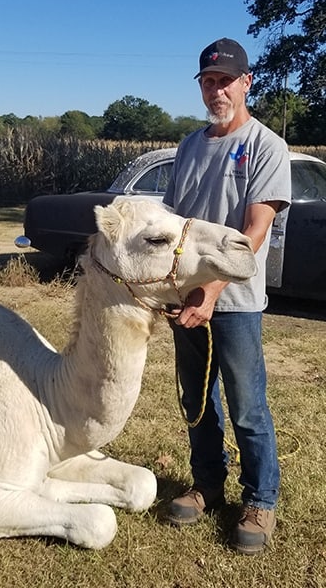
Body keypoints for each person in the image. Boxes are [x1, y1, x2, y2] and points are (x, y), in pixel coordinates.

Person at [162, 37, 291, 555]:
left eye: (225, 80)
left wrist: (213, 290)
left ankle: (261, 499)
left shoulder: (265, 145)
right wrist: (176, 288)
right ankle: (207, 485)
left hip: (234, 303)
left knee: (247, 405)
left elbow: (255, 231)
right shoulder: (190, 145)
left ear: (246, 82)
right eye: (208, 82)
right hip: (186, 297)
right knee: (196, 401)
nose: (217, 90)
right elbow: (174, 225)